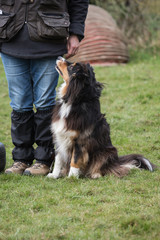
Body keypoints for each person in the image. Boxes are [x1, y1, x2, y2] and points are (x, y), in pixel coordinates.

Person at [0, 0, 89, 176]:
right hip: (9, 37)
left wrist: (75, 33)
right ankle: (21, 159)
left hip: (49, 38)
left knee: (44, 101)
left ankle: (43, 160)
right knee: (19, 102)